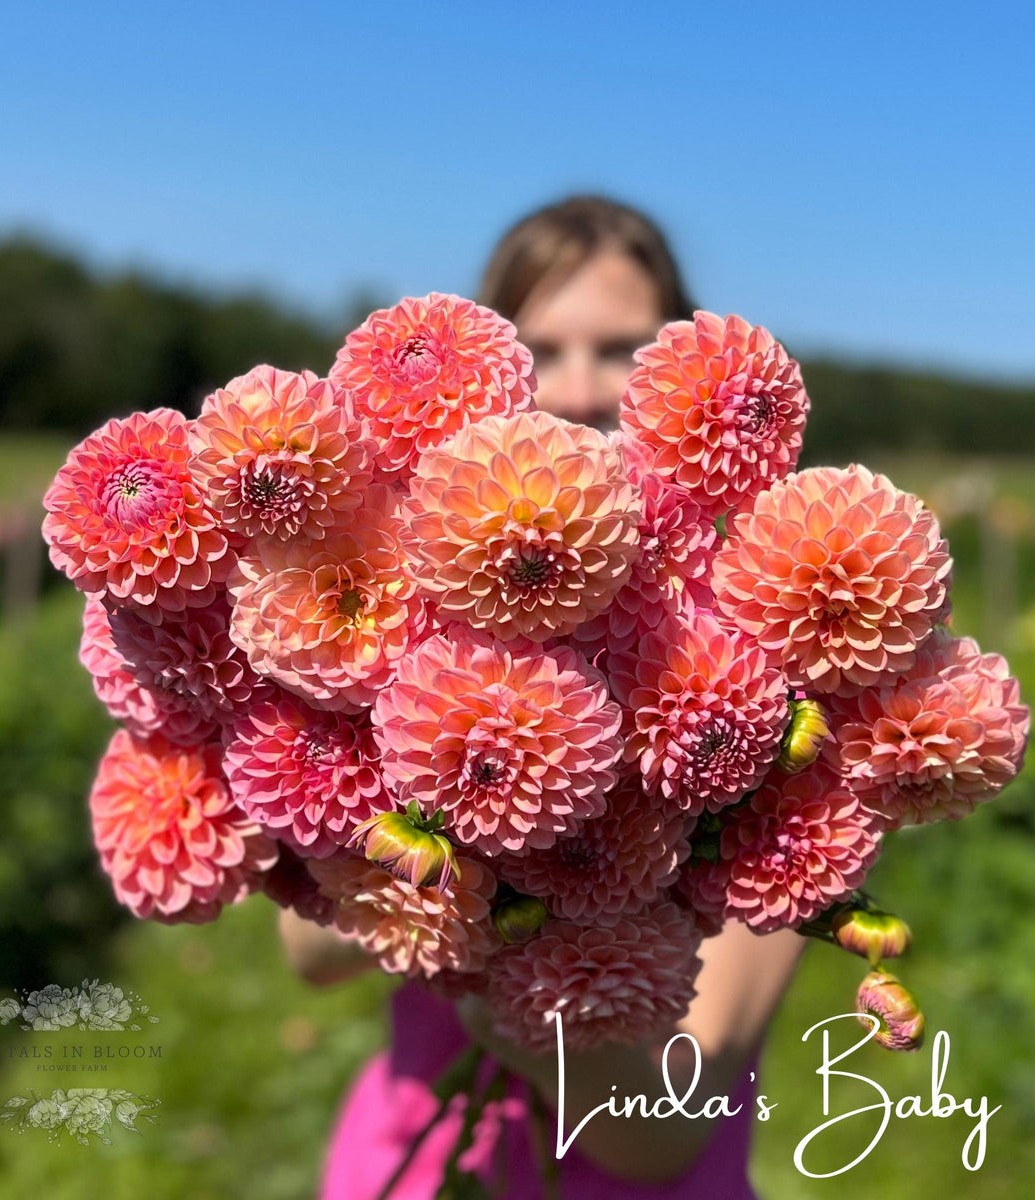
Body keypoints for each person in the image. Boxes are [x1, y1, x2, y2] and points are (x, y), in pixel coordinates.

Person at [280, 195, 809, 1199]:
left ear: (679, 377)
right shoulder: (413, 584)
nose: (574, 390)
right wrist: (482, 795)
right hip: (416, 1161)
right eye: (539, 348)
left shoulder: (766, 663)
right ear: (481, 370)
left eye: (617, 350)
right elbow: (309, 950)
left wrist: (511, 986)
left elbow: (659, 1135)